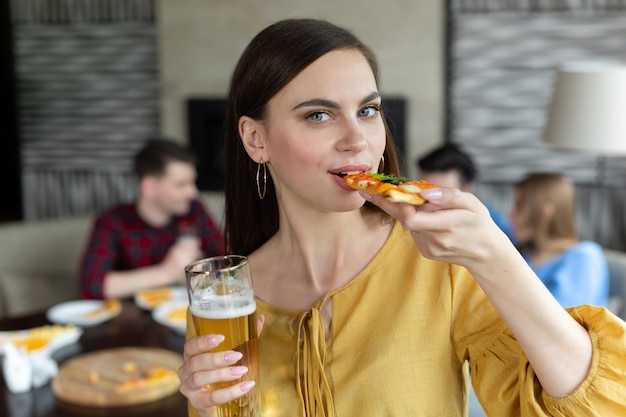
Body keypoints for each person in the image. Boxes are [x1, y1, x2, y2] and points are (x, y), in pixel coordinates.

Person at [177, 18, 626, 417]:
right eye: (319, 115)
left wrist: (493, 254)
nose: (358, 140)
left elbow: (590, 408)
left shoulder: (438, 263)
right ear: (256, 140)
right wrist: (203, 408)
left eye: (368, 111)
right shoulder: (225, 299)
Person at [79, 139, 224, 300]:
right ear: (150, 187)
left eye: (192, 182)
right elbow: (91, 285)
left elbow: (224, 261)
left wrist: (202, 266)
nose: (192, 192)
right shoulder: (112, 222)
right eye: (181, 184)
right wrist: (166, 273)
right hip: (130, 321)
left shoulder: (194, 211)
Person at [510, 172, 610, 308]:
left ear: (545, 212)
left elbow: (567, 320)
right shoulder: (526, 252)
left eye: (518, 207)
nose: (510, 215)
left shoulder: (584, 257)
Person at [417, 142, 516, 243]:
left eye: (442, 194)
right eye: (424, 191)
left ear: (468, 190)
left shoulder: (496, 226)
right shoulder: (414, 222)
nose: (431, 203)